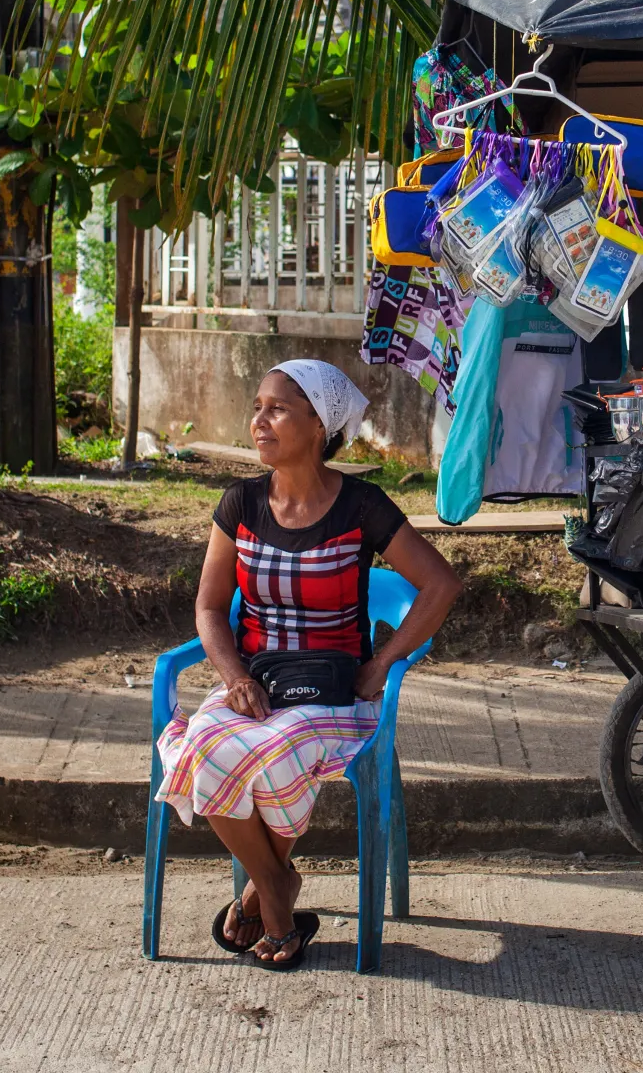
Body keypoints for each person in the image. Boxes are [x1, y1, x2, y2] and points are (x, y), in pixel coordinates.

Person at [153, 360, 459, 970]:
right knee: (201, 745)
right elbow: (210, 609)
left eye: (277, 409)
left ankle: (267, 898)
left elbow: (440, 586)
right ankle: (275, 888)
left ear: (319, 425)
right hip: (257, 685)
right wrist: (235, 678)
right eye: (258, 406)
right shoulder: (239, 502)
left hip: (332, 693)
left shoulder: (362, 507)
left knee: (283, 745)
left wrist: (380, 666)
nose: (258, 420)